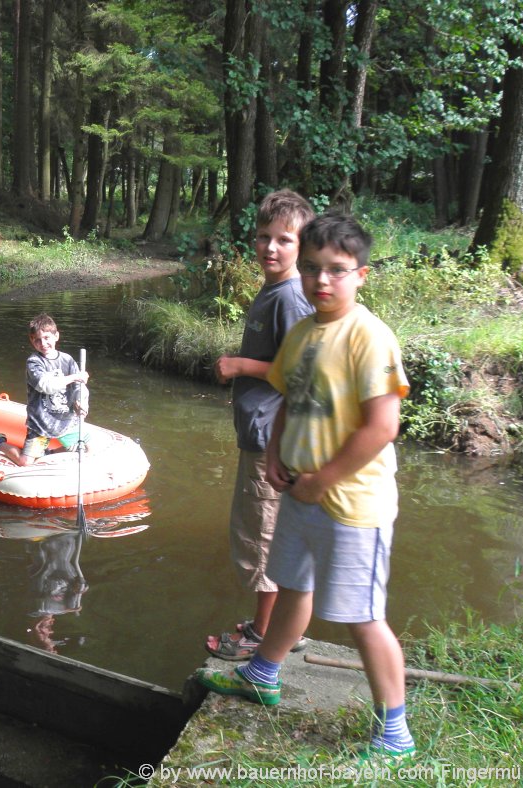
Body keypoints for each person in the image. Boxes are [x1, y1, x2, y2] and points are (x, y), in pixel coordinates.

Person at [193, 213, 415, 759]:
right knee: (292, 588)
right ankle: (263, 673)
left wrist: (323, 481)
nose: (321, 281)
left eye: (336, 271)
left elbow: (383, 426)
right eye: (313, 268)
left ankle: (395, 732)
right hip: (299, 490)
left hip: (352, 505)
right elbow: (289, 395)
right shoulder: (304, 332)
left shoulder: (369, 336)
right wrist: (274, 455)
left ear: (361, 275)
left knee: (364, 618)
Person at [206, 189, 316, 660]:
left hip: (270, 439)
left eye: (284, 240)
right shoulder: (275, 289)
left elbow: (303, 374)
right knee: (264, 534)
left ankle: (261, 638)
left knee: (260, 538)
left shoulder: (290, 297)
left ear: (303, 246)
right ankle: (271, 623)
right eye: (263, 237)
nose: (270, 248)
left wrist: (240, 366)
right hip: (262, 436)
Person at [1, 314, 89, 466]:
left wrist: (81, 401)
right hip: (41, 424)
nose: (43, 343)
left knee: (85, 449)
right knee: (25, 462)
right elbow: (46, 385)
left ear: (56, 336)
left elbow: (79, 387)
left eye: (47, 338)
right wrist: (75, 377)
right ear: (32, 340)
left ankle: (50, 454)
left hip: (66, 422)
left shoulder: (67, 360)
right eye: (37, 340)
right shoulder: (34, 362)